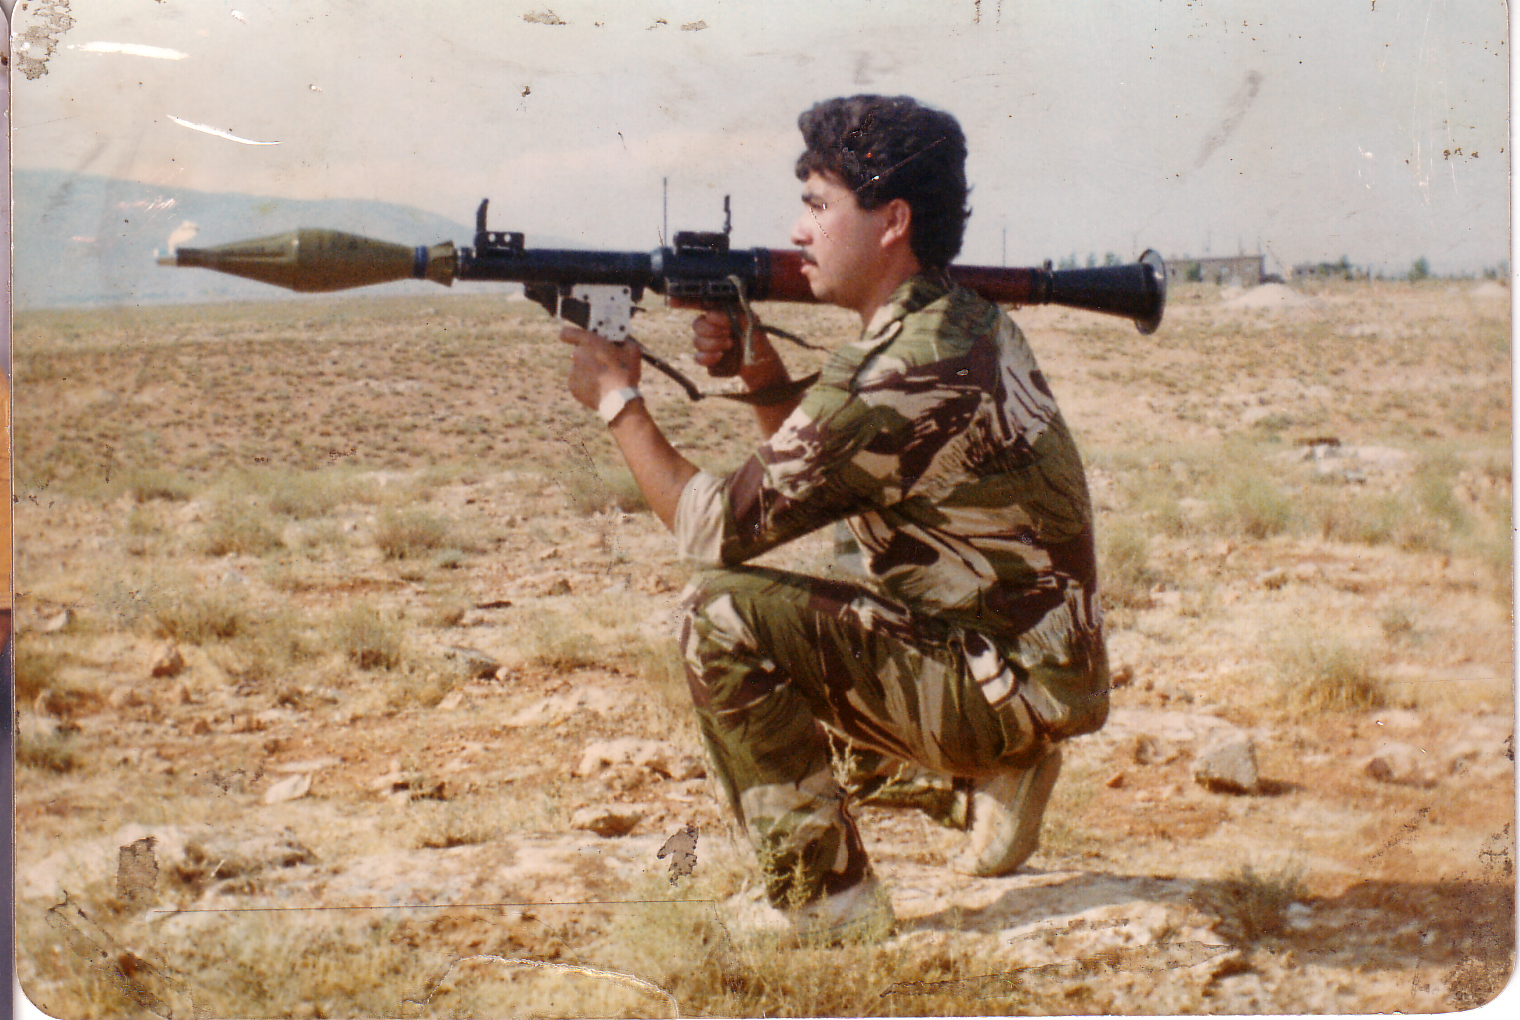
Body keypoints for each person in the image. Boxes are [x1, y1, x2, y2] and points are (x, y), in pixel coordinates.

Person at [560, 95, 1109, 940]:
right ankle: (979, 782)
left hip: (999, 678)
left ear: (893, 221)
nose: (798, 230)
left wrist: (617, 399)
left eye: (818, 205)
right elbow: (826, 480)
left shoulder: (897, 367)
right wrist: (761, 371)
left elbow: (710, 529)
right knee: (833, 591)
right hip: (1022, 666)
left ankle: (827, 903)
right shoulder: (958, 321)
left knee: (721, 617)